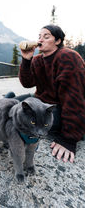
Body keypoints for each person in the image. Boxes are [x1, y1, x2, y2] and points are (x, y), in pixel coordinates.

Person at [6, 24, 85, 163]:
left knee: (21, 121)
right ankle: (9, 99)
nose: (40, 39)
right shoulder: (37, 60)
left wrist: (69, 139)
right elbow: (27, 83)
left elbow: (74, 98)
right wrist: (26, 59)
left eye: (46, 36)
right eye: (39, 36)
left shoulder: (68, 57)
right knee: (5, 107)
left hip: (58, 107)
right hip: (40, 100)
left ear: (58, 41)